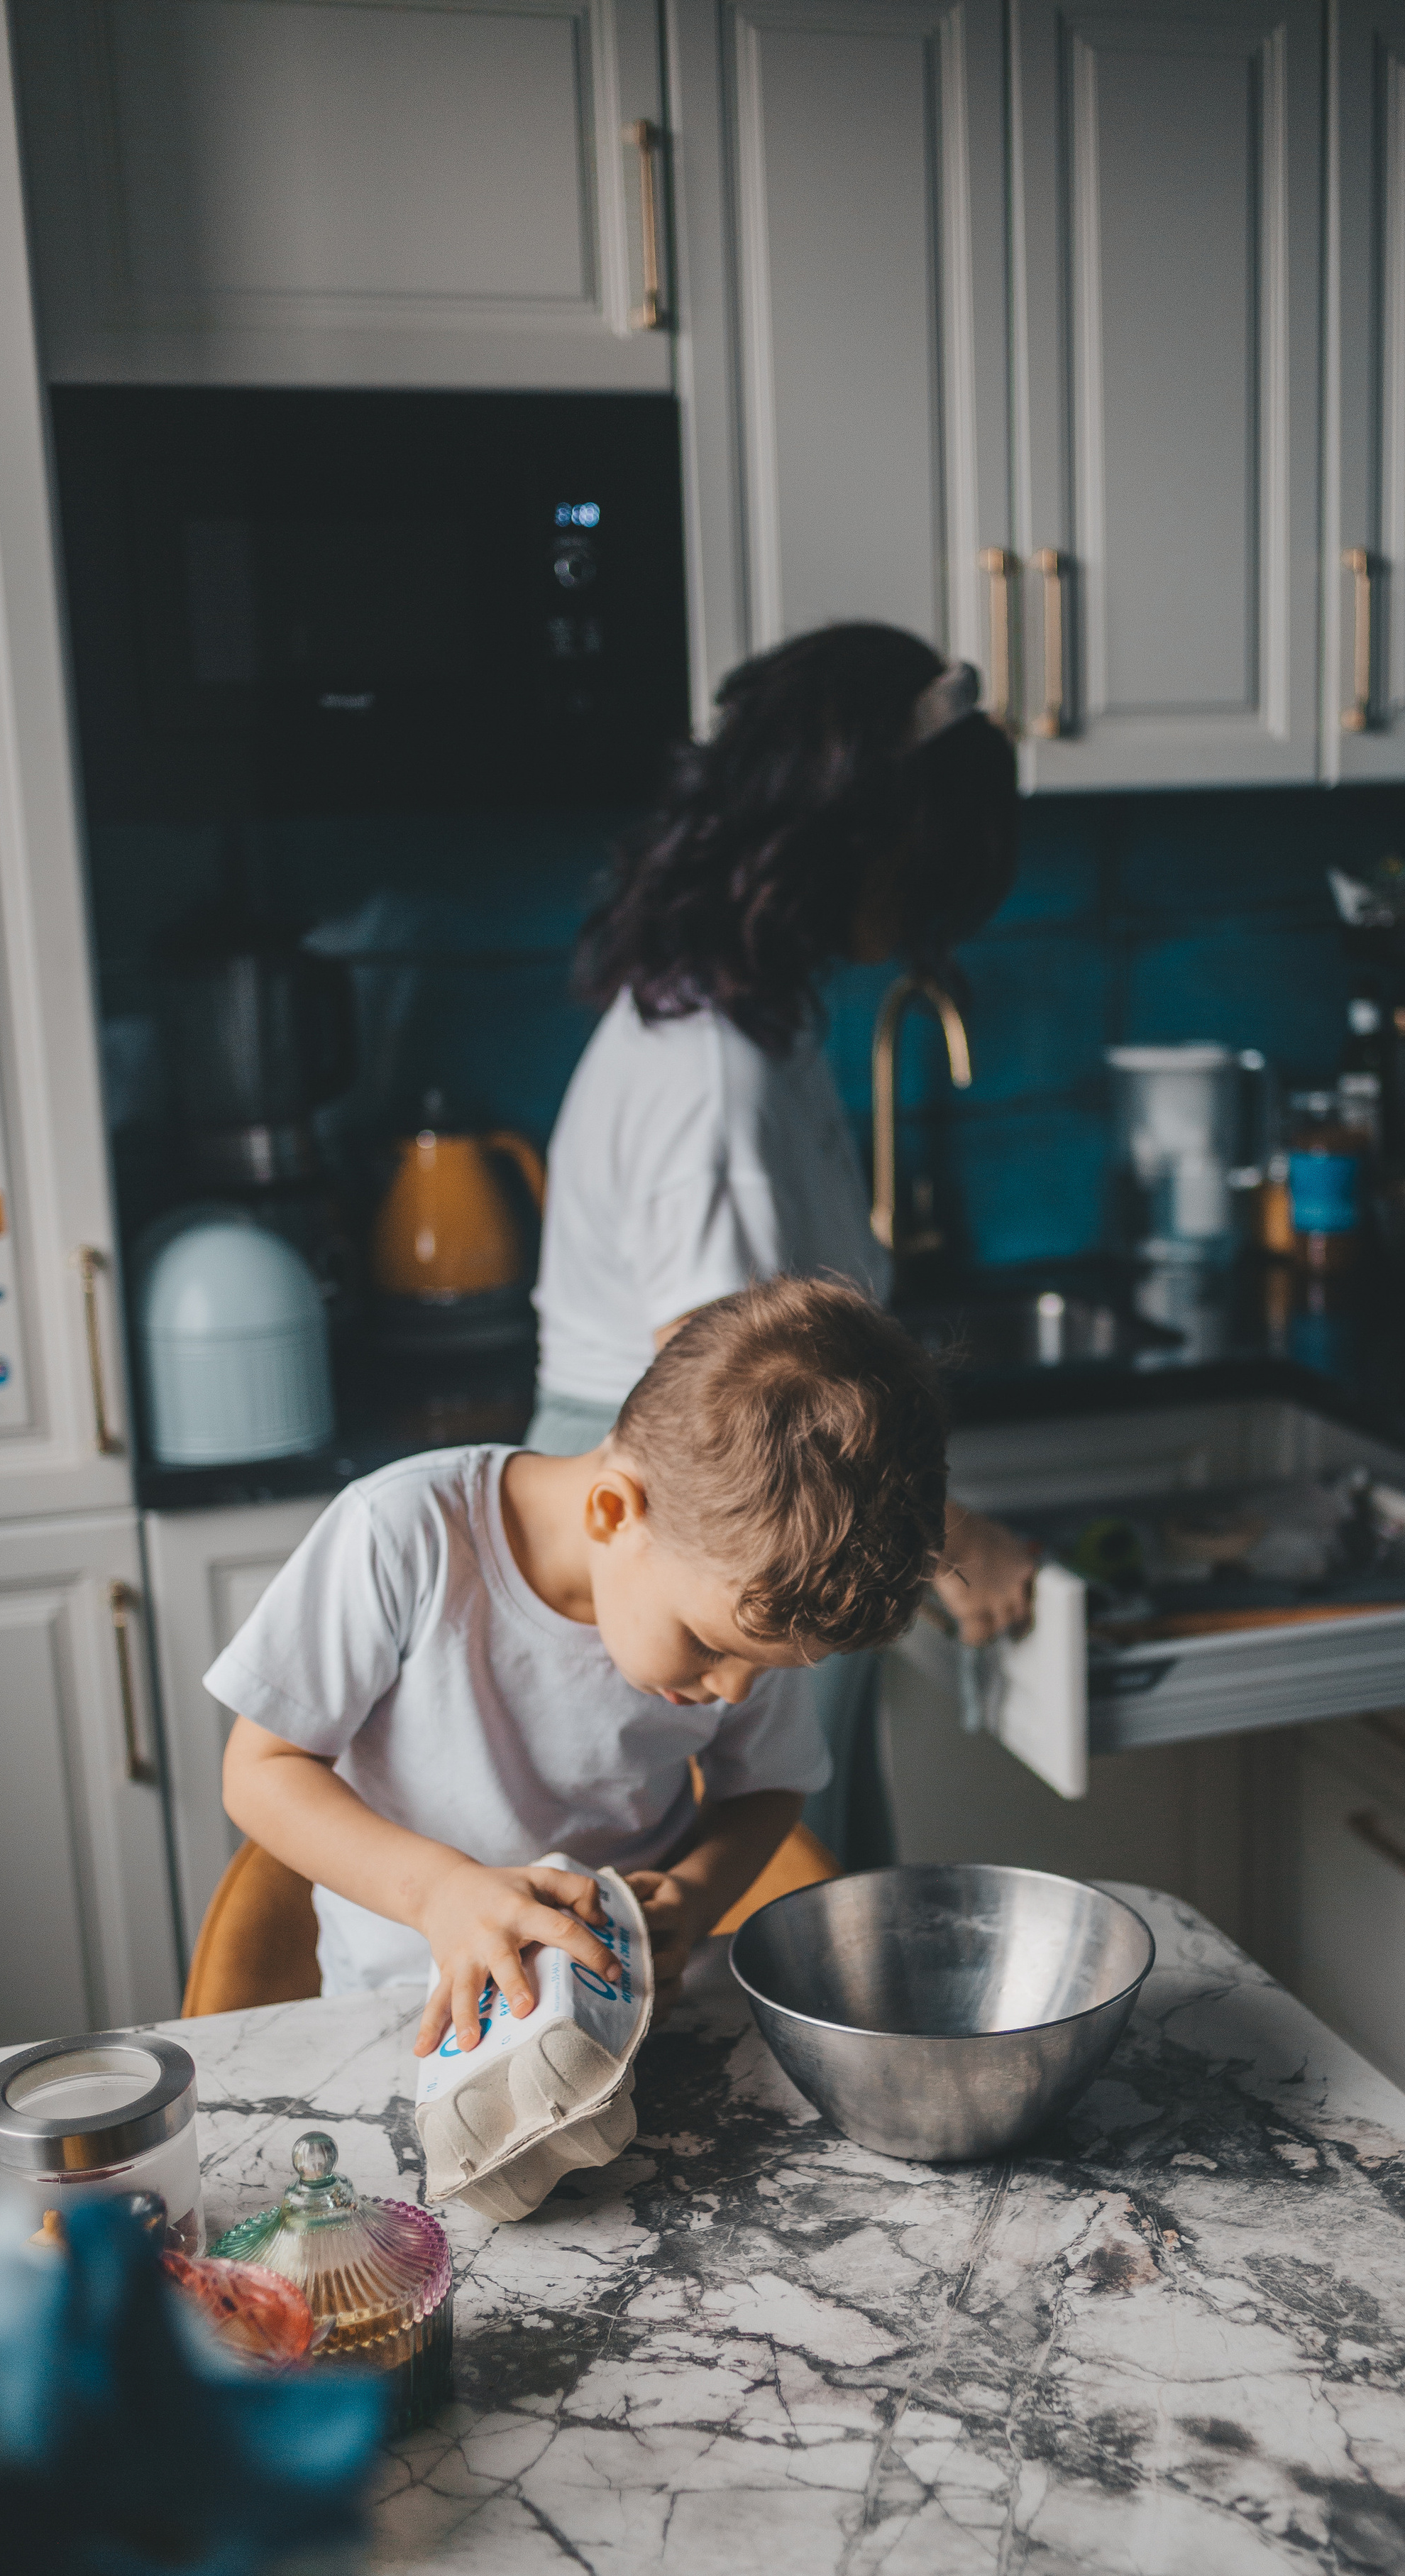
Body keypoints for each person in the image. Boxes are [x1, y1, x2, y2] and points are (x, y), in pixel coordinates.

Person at [528, 623, 1037, 1867]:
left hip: (746, 1532)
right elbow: (745, 1423)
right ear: (848, 840)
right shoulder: (709, 1081)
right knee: (754, 1895)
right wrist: (955, 1539)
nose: (917, 906)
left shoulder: (743, 1018)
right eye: (919, 862)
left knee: (806, 1865)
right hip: (707, 1545)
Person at [209, 1278, 947, 2048]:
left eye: (763, 1670)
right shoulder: (403, 1535)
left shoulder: (745, 1604)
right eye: (710, 1647)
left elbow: (766, 1786)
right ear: (613, 1513)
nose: (731, 1689)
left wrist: (696, 1898)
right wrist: (439, 1893)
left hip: (626, 2019)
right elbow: (262, 1770)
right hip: (406, 2018)